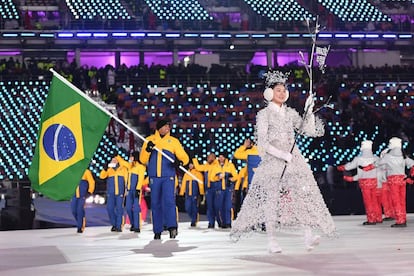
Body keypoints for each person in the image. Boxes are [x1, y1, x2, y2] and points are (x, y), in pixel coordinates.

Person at [230, 70, 336, 253]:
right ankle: (271, 240)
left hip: (293, 160)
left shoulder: (290, 113)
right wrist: (280, 154)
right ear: (270, 93)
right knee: (271, 200)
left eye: (283, 90)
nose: (281, 93)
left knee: (301, 197)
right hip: (273, 161)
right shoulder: (264, 114)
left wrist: (309, 110)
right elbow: (262, 143)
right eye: (278, 90)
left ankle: (308, 236)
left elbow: (308, 130)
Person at [140, 118, 189, 240]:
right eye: (165, 126)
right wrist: (147, 150)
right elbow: (143, 160)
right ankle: (157, 230)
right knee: (156, 204)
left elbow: (185, 158)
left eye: (169, 126)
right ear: (159, 127)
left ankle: (172, 227)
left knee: (169, 202)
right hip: (154, 177)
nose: (168, 128)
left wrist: (180, 162)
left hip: (168, 177)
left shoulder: (173, 141)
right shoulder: (150, 140)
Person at [365, 137, 414, 227]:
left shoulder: (388, 156)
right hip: (402, 180)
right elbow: (412, 164)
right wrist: (410, 177)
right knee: (402, 201)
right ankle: (403, 219)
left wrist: (366, 168)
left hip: (393, 181)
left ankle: (400, 221)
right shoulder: (403, 156)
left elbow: (377, 164)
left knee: (396, 201)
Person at [338, 140, 382, 225]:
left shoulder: (359, 159)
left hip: (365, 182)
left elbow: (349, 166)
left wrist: (342, 167)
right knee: (375, 200)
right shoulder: (376, 158)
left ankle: (371, 219)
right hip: (374, 181)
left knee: (368, 201)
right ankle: (378, 217)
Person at [117, 152, 146, 233]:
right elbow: (123, 162)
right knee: (129, 208)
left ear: (135, 157)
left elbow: (140, 179)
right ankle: (133, 224)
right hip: (129, 191)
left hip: (136, 190)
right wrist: (117, 155)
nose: (130, 158)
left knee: (136, 208)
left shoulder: (141, 167)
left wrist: (138, 189)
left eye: (131, 156)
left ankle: (137, 226)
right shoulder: (130, 166)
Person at [100, 156, 128, 232]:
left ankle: (118, 226)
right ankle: (114, 224)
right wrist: (104, 169)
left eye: (115, 160)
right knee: (109, 208)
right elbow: (102, 176)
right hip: (110, 193)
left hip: (120, 193)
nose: (114, 161)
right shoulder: (109, 170)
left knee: (119, 209)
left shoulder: (123, 169)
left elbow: (126, 181)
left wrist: (126, 191)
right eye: (112, 160)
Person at [210, 153, 238, 229]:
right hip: (219, 188)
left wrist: (228, 177)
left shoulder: (230, 165)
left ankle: (228, 222)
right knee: (220, 206)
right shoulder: (215, 166)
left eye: (222, 157)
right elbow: (211, 178)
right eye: (220, 157)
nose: (221, 158)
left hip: (228, 188)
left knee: (228, 206)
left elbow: (236, 176)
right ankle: (222, 222)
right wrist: (218, 177)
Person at [192, 153, 218, 228]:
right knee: (210, 207)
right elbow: (198, 167)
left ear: (213, 158)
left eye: (209, 157)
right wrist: (194, 159)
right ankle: (211, 222)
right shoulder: (206, 166)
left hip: (216, 188)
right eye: (207, 157)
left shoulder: (217, 165)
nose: (208, 158)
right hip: (208, 189)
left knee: (217, 206)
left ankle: (220, 221)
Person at [179, 162, 204, 227]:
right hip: (187, 193)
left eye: (192, 164)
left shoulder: (198, 174)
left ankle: (194, 220)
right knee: (187, 207)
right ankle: (194, 217)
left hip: (194, 193)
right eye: (190, 164)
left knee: (194, 207)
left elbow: (201, 184)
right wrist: (181, 193)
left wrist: (201, 193)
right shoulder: (186, 173)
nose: (190, 165)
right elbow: (183, 183)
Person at [71, 168, 95, 233]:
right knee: (73, 211)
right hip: (74, 195)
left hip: (82, 195)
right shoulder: (72, 172)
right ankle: (81, 221)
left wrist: (90, 192)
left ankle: (80, 226)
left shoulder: (86, 171)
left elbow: (91, 182)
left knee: (80, 210)